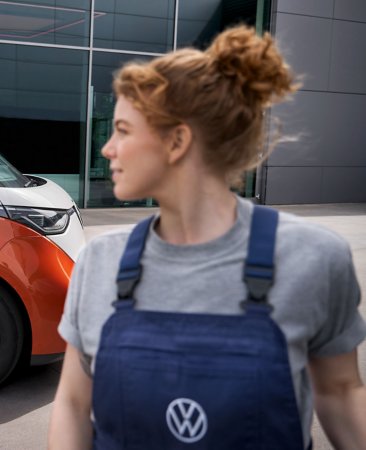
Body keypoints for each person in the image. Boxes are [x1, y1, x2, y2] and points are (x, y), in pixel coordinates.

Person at [48, 26, 366, 449]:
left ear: (177, 140)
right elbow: (71, 403)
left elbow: (341, 392)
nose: (107, 149)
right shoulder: (99, 262)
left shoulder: (314, 257)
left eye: (122, 130)